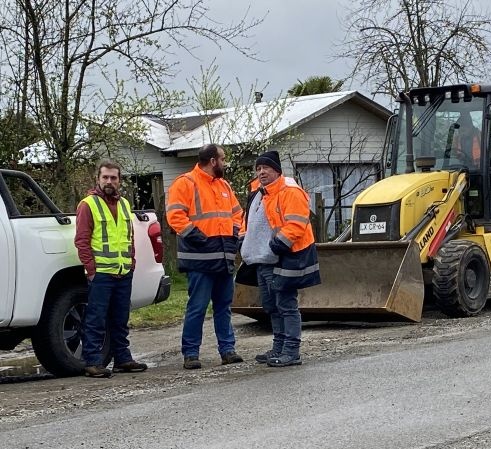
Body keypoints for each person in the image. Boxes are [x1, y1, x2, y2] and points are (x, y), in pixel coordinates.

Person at [166, 143, 245, 370]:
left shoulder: (224, 186)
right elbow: (174, 215)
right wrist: (197, 237)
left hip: (222, 257)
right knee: (197, 307)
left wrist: (233, 234)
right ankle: (190, 353)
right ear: (213, 161)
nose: (225, 163)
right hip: (200, 259)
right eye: (223, 159)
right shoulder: (186, 183)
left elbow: (237, 213)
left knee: (223, 307)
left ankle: (227, 350)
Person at [239, 151, 320, 367]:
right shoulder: (258, 194)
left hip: (284, 257)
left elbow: (296, 224)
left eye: (266, 168)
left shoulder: (290, 192)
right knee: (272, 306)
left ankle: (291, 351)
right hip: (262, 260)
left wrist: (278, 245)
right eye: (258, 168)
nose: (261, 172)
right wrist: (244, 242)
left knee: (286, 305)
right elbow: (247, 223)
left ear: (277, 170)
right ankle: (279, 347)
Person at [75, 161, 148, 377]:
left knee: (120, 318)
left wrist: (131, 262)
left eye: (113, 178)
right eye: (105, 177)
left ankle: (122, 359)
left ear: (119, 180)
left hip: (123, 271)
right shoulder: (88, 205)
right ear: (98, 179)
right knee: (96, 319)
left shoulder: (125, 204)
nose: (109, 181)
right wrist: (91, 270)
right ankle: (92, 361)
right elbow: (82, 240)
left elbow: (129, 237)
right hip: (102, 273)